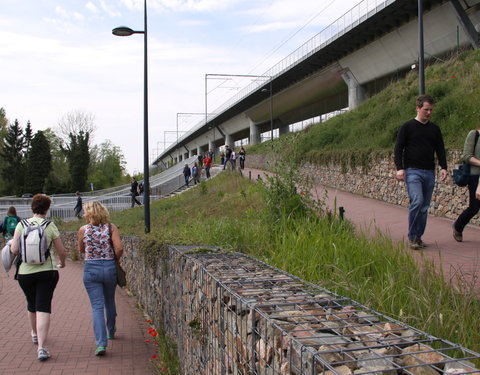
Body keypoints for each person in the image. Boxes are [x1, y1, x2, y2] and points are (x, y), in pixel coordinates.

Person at [10, 194, 67, 361]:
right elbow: (62, 251)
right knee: (43, 307)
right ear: (47, 209)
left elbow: (14, 250)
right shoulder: (50, 226)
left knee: (31, 304)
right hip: (46, 272)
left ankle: (34, 334)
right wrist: (61, 263)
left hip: (25, 273)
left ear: (32, 208)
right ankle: (42, 348)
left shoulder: (22, 224)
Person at [394, 94, 447, 250]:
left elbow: (440, 150)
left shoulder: (435, 129)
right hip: (412, 171)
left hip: (429, 172)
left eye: (431, 110)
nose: (429, 112)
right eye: (426, 109)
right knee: (417, 201)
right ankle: (412, 237)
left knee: (424, 207)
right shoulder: (407, 127)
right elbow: (398, 149)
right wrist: (399, 168)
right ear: (418, 108)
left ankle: (418, 237)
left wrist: (443, 167)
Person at [78, 201, 124, 357]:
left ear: (89, 214)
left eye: (85, 212)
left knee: (97, 306)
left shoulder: (83, 230)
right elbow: (119, 248)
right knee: (109, 300)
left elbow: (81, 250)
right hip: (109, 267)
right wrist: (113, 259)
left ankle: (101, 344)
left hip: (91, 269)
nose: (83, 214)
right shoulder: (111, 228)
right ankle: (111, 330)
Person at [453, 129, 480, 241]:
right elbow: (466, 156)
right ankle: (458, 226)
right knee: (474, 207)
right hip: (475, 175)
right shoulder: (474, 134)